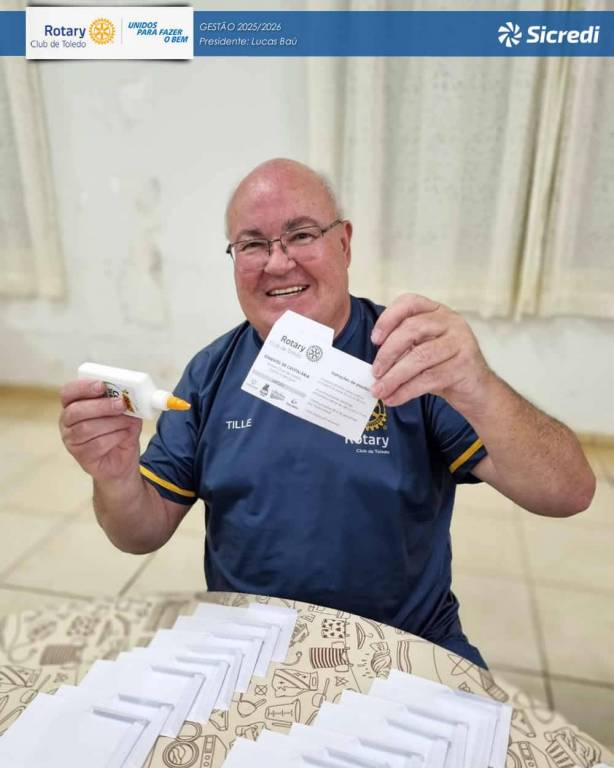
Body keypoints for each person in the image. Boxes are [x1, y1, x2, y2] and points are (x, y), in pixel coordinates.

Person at [59, 158, 595, 669]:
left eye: (301, 234)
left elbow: (568, 493)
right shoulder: (211, 372)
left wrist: (479, 385)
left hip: (404, 643)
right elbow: (139, 534)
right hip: (249, 647)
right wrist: (116, 476)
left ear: (344, 242)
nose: (278, 262)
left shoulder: (409, 357)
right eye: (252, 244)